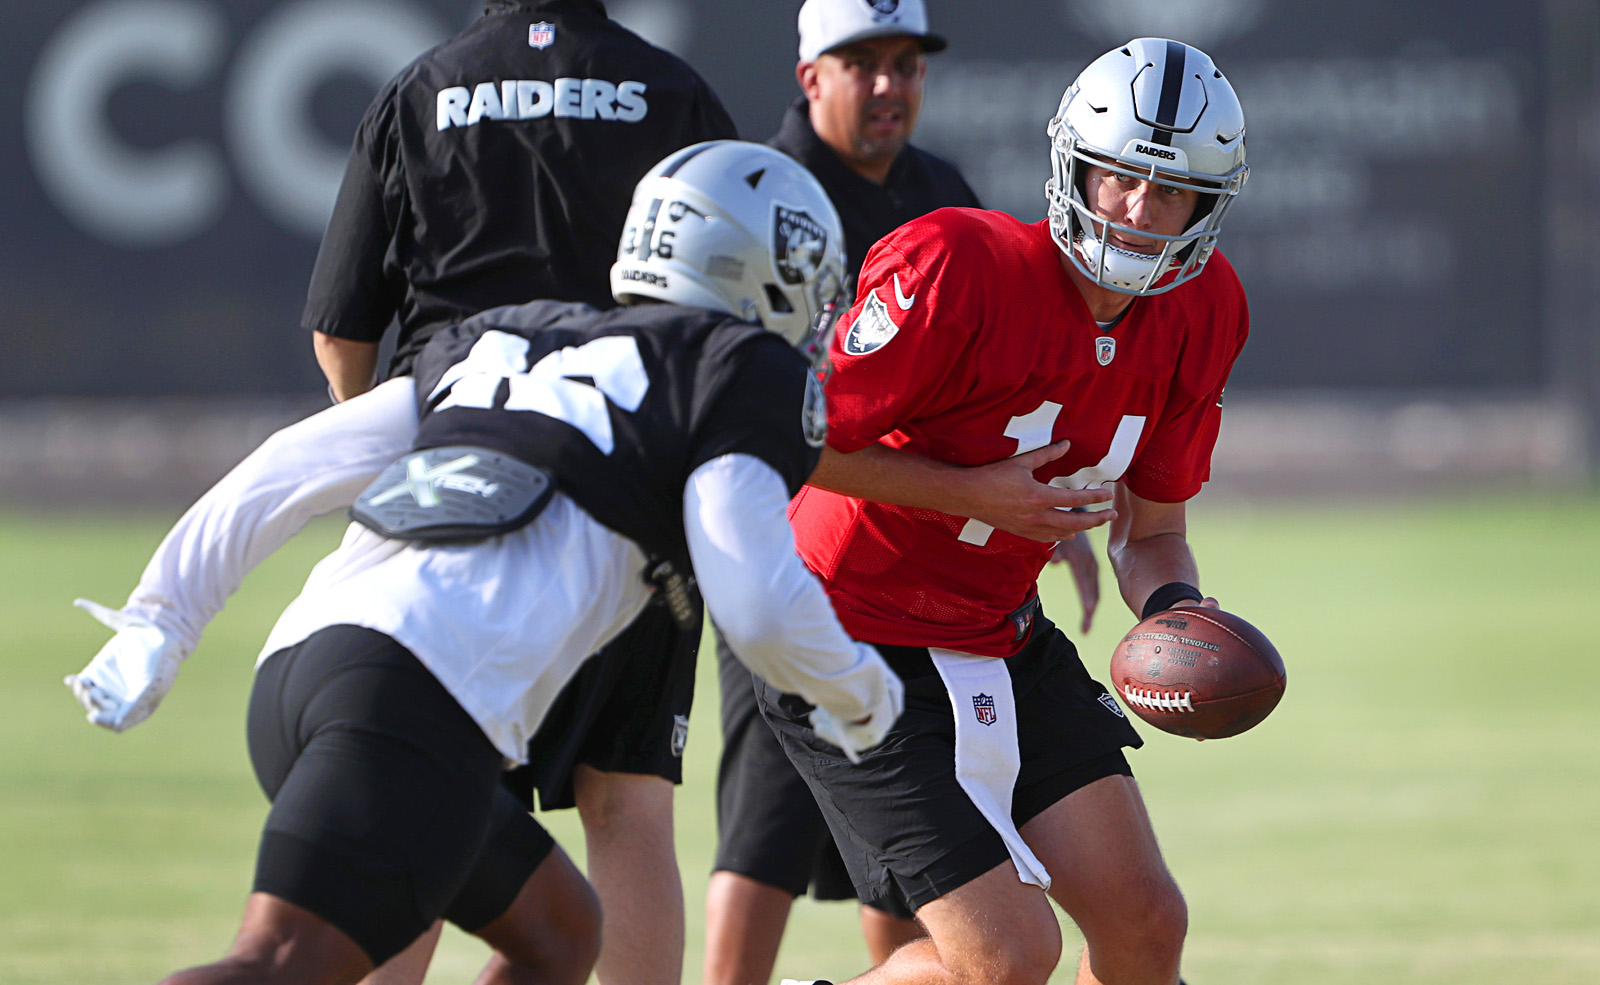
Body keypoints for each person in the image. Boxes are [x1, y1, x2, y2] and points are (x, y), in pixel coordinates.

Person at [64, 141, 903, 985]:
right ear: (747, 263)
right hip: (410, 701)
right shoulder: (731, 369)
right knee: (277, 964)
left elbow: (289, 467)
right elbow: (754, 598)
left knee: (562, 934)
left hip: (306, 672)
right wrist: (859, 693)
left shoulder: (512, 338)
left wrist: (162, 618)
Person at [767, 37, 1252, 985]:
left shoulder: (1205, 309)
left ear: (1209, 205)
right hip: (848, 636)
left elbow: (1152, 533)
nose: (1138, 211)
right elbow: (788, 435)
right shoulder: (958, 262)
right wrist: (970, 493)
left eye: (1170, 192)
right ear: (1074, 164)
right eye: (1119, 178)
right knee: (1008, 955)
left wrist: (1176, 613)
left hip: (997, 631)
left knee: (1148, 923)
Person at [300, 4, 737, 982]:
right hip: (633, 490)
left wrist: (394, 448)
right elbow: (734, 310)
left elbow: (340, 332)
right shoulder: (673, 93)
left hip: (459, 484)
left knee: (428, 788)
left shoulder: (418, 90)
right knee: (625, 803)